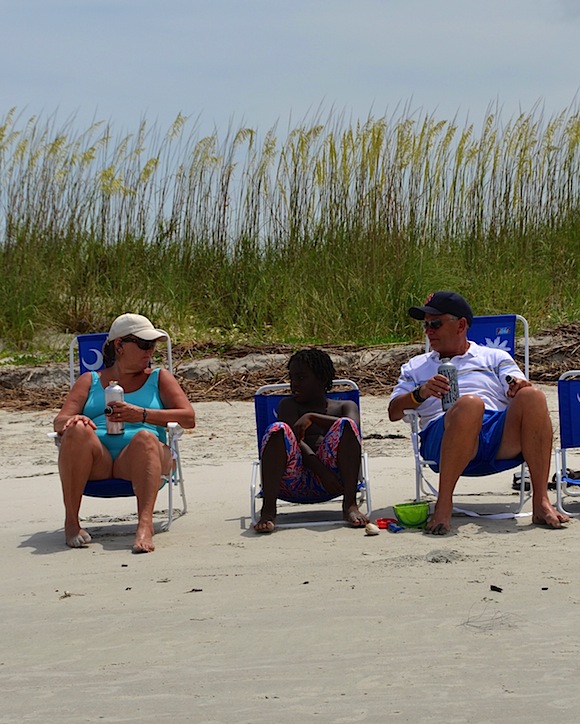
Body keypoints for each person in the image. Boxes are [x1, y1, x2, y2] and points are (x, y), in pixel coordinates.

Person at [388, 290, 569, 535]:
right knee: (469, 404)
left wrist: (517, 386)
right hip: (443, 436)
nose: (429, 331)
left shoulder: (494, 357)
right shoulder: (415, 366)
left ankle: (541, 501)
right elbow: (393, 412)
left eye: (436, 323)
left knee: (533, 396)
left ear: (461, 325)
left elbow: (516, 383)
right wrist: (420, 393)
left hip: (495, 435)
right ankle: (444, 504)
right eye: (426, 326)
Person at [54, 313, 196, 553]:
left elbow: (188, 418)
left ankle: (145, 525)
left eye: (152, 345)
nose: (149, 351)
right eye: (143, 344)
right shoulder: (90, 380)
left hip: (141, 459)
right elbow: (59, 421)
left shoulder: (159, 377)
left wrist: (141, 414)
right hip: (96, 462)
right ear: (120, 345)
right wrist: (76, 419)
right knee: (76, 429)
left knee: (145, 437)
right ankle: (71, 523)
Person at [254, 348, 369, 533]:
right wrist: (322, 472)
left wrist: (313, 418)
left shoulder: (346, 406)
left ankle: (350, 505)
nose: (294, 384)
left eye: (301, 378)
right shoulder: (288, 405)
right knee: (278, 429)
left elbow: (353, 430)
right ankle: (268, 509)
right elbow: (296, 443)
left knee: (346, 425)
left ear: (322, 379)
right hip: (295, 479)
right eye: (291, 378)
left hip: (337, 480)